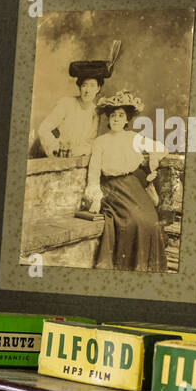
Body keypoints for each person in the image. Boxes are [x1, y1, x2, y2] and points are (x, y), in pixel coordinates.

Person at [84, 90, 166, 272]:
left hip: (132, 185)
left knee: (151, 221)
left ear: (127, 119)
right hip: (112, 188)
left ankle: (147, 268)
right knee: (132, 221)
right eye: (113, 115)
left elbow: (161, 147)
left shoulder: (133, 138)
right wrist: (95, 195)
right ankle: (129, 268)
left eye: (120, 115)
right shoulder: (100, 141)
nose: (116, 119)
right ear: (108, 119)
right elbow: (94, 172)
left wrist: (153, 158)